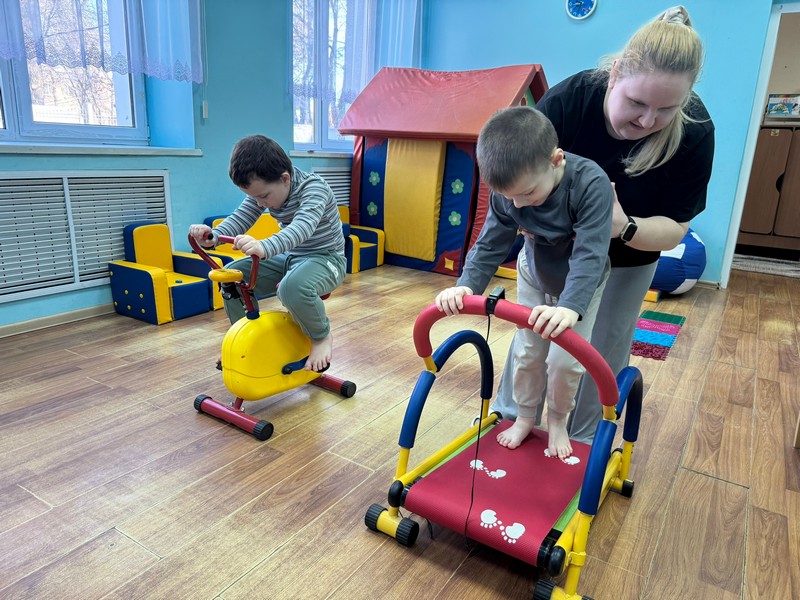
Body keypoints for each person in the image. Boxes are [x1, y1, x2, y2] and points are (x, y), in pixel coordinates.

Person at [492, 5, 715, 442]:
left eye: (666, 110)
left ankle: (582, 441)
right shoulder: (568, 103)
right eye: (636, 103)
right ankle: (514, 416)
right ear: (614, 75)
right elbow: (512, 179)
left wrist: (623, 226)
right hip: (555, 251)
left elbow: (676, 228)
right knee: (532, 341)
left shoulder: (695, 133)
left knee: (599, 351)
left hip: (629, 256)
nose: (647, 121)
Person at [435, 106, 613, 460]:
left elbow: (590, 254)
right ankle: (526, 417)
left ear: (556, 160)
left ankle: (558, 421)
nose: (518, 205)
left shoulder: (590, 185)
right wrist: (466, 285)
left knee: (564, 361)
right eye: (509, 197)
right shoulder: (510, 193)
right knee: (529, 351)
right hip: (534, 272)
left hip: (581, 283)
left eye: (528, 193)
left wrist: (569, 307)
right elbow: (490, 242)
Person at [189, 135, 346, 372]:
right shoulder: (265, 192)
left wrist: (264, 247)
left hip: (327, 259)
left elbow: (302, 227)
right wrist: (213, 236)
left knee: (291, 288)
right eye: (254, 197)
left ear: (285, 178)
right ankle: (244, 341)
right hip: (291, 258)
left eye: (263, 196)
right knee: (232, 277)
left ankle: (321, 336)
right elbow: (240, 217)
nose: (260, 204)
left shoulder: (314, 189)